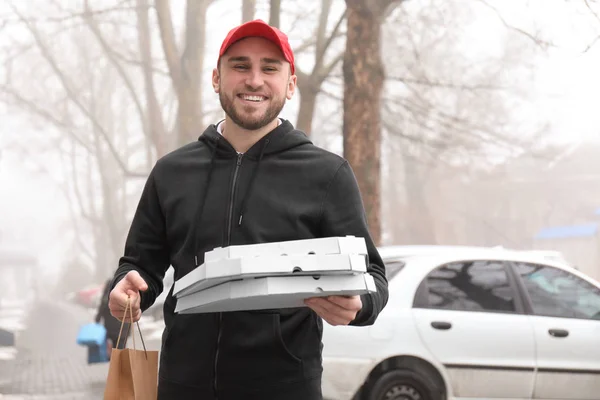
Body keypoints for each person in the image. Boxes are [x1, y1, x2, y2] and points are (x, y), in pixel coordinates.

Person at [108, 19, 389, 400]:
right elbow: (141, 264)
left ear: (290, 85)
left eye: (270, 68)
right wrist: (127, 286)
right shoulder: (172, 172)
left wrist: (360, 305)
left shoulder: (327, 174)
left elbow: (373, 275)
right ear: (216, 79)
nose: (254, 80)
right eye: (240, 66)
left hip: (286, 388)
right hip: (182, 386)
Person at [95, 278, 128, 358]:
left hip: (111, 325)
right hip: (124, 325)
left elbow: (102, 305)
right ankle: (119, 364)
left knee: (114, 345)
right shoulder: (125, 288)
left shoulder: (108, 291)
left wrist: (98, 318)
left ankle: (114, 363)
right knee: (121, 346)